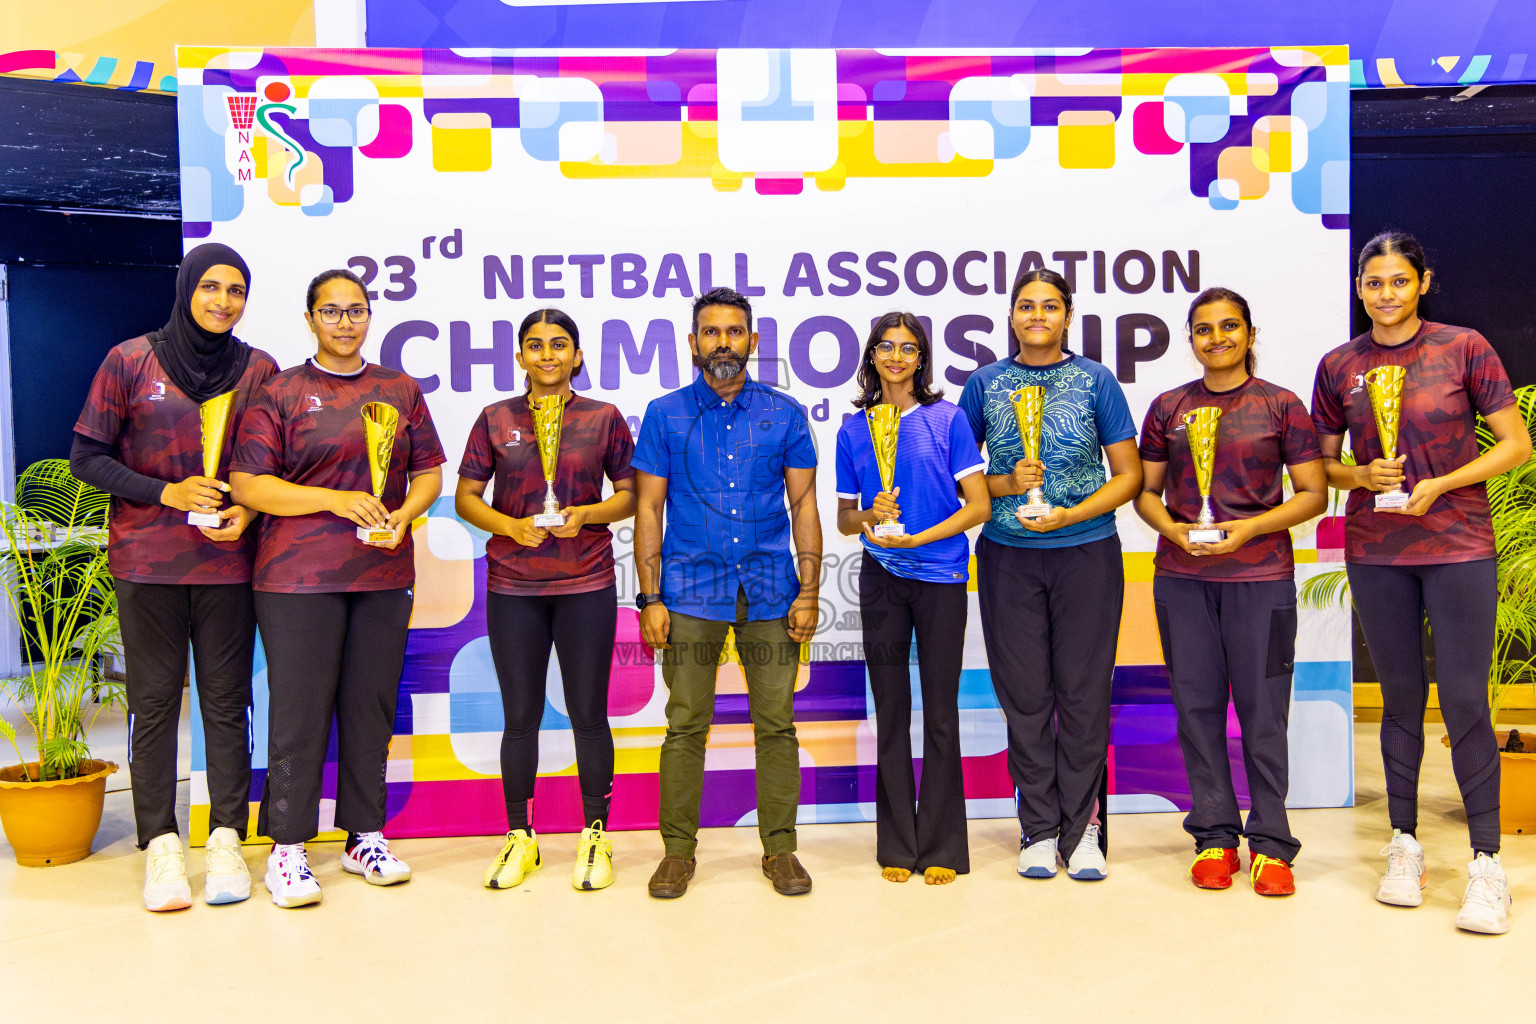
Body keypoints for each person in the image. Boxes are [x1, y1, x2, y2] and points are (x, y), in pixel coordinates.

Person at [1311, 231, 1530, 934]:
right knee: (1401, 699)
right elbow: (1320, 468)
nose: (1385, 293)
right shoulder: (1339, 364)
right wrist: (1359, 475)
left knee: (1465, 700)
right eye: (1373, 282)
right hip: (1377, 548)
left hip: (1459, 542)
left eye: (1398, 281)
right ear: (1360, 287)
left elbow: (1516, 445)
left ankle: (1486, 863)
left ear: (1423, 282)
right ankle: (1403, 846)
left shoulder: (1464, 346)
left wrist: (1441, 484)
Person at [71, 242, 278, 911]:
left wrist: (245, 508)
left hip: (229, 566)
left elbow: (278, 468)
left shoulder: (260, 370)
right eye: (211, 287)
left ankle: (224, 840)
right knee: (153, 703)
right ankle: (160, 844)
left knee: (226, 704)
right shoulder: (129, 361)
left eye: (236, 290)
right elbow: (87, 457)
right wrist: (166, 493)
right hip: (147, 564)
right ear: (187, 288)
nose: (223, 301)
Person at [229, 268, 444, 908]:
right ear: (309, 319)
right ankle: (288, 848)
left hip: (382, 574)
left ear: (369, 317)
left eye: (356, 311)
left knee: (369, 708)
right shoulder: (280, 392)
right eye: (331, 311)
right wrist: (338, 500)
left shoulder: (399, 388)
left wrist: (403, 518)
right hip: (296, 579)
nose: (345, 322)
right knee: (298, 713)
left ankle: (363, 836)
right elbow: (249, 486)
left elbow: (430, 470)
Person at [1135, 287, 1326, 896]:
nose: (1216, 338)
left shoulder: (1283, 406)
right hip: (1182, 580)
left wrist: (1248, 528)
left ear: (1248, 332)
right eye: (1203, 329)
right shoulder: (1168, 407)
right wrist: (1172, 530)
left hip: (1261, 579)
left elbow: (1313, 495)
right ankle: (1215, 837)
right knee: (1196, 711)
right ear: (1189, 339)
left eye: (1228, 327)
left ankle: (1271, 843)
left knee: (1263, 714)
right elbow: (1145, 491)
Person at [632, 286, 822, 899]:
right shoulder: (664, 415)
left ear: (753, 342)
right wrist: (650, 597)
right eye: (710, 333)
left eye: (734, 333)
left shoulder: (786, 413)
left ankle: (781, 850)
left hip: (771, 589)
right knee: (687, 724)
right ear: (692, 344)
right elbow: (648, 510)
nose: (723, 344)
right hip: (689, 594)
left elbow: (804, 506)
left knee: (778, 724)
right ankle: (677, 853)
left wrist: (811, 591)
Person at [957, 268, 1141, 881]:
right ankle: (1037, 829)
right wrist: (1008, 486)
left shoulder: (1096, 381)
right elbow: (960, 474)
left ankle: (1083, 828)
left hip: (1086, 551)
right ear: (1011, 316)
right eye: (1026, 306)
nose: (1038, 315)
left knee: (1084, 694)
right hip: (1007, 554)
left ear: (1068, 315)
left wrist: (1069, 514)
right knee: (1026, 697)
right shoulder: (984, 385)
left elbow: (1128, 476)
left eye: (1051, 306)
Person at [455, 309, 636, 892]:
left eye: (560, 345)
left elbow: (630, 495)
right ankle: (520, 837)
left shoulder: (602, 417)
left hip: (586, 582)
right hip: (514, 586)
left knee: (588, 713)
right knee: (520, 719)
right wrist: (509, 527)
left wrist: (584, 514)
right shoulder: (495, 419)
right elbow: (465, 498)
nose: (548, 355)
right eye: (535, 346)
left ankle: (595, 834)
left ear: (577, 356)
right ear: (520, 357)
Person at [834, 312, 989, 885]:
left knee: (941, 713)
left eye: (907, 348)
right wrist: (868, 517)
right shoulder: (853, 429)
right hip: (881, 581)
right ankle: (898, 843)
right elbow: (847, 520)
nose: (896, 356)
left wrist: (921, 537)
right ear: (871, 356)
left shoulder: (947, 420)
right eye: (885, 347)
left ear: (921, 358)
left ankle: (945, 844)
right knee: (891, 713)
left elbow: (978, 506)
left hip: (942, 577)